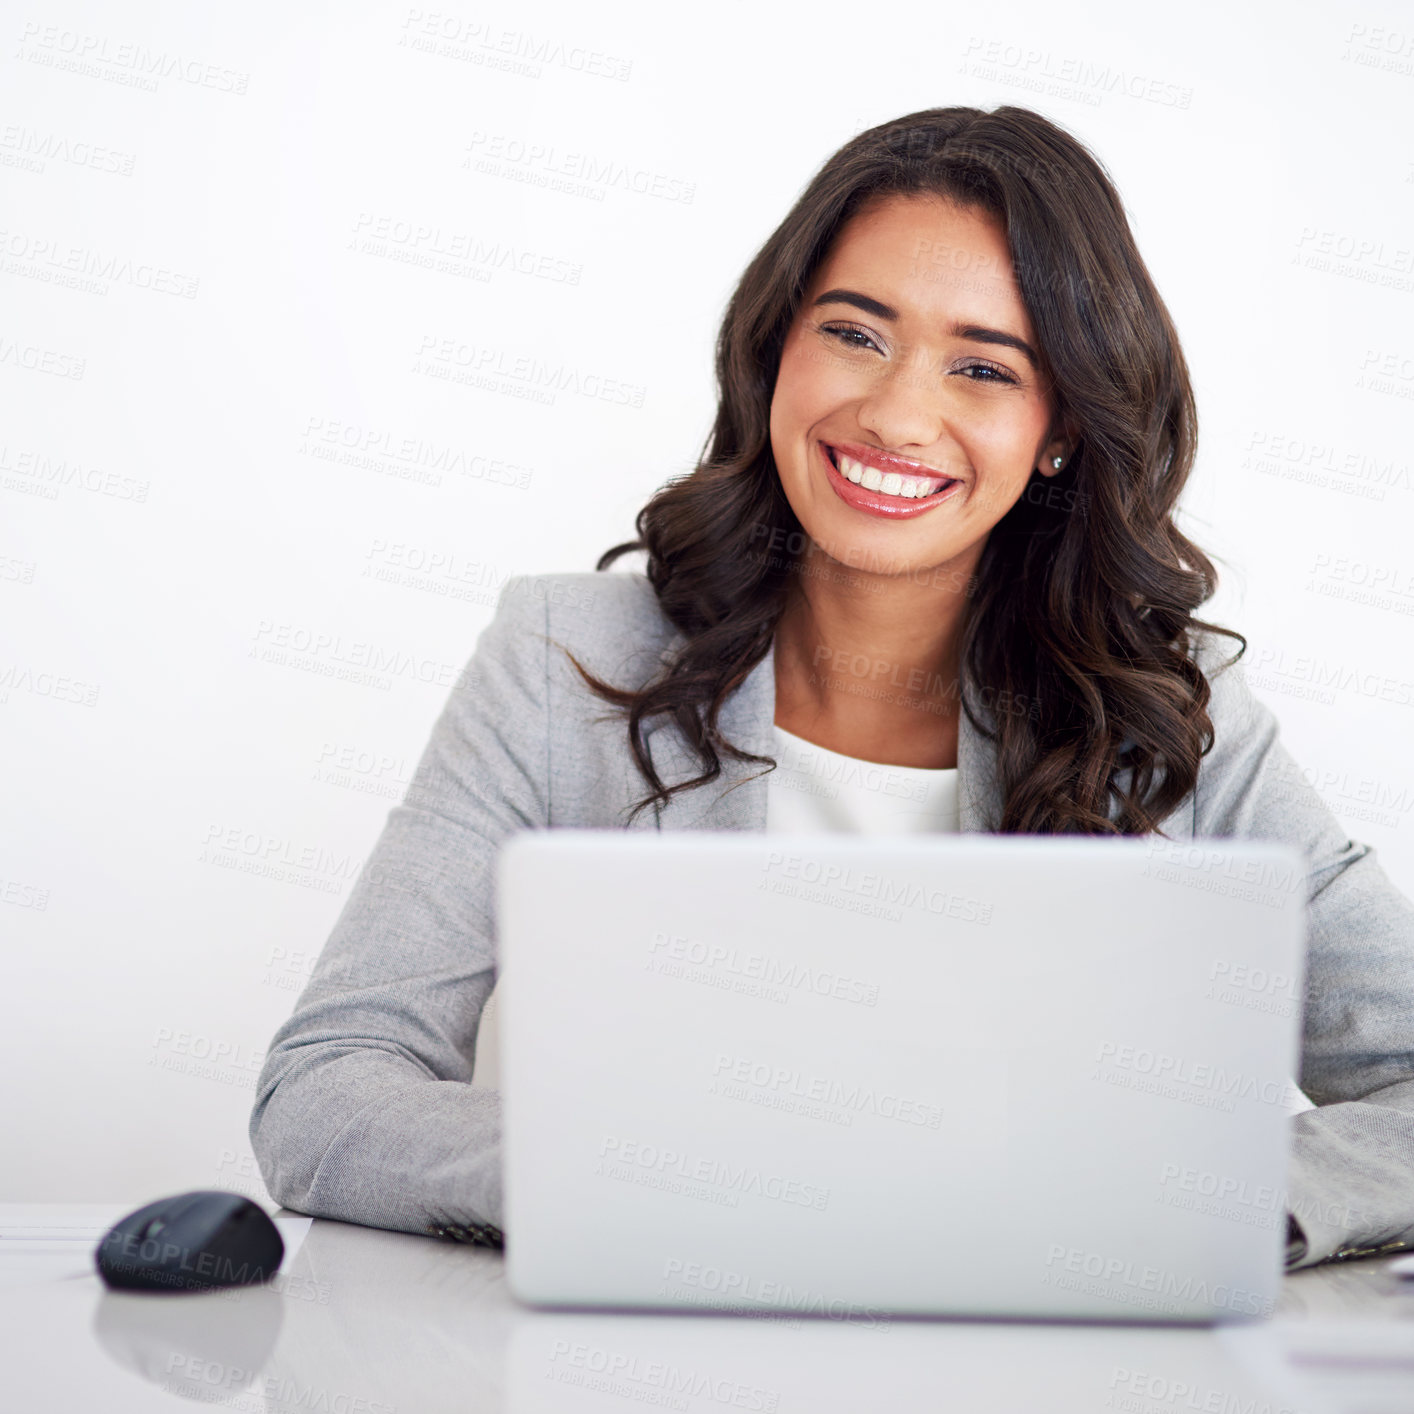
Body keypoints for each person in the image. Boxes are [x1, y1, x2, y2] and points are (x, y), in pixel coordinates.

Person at [250, 105, 1414, 1270]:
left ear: (1059, 428)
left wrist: (1185, 1202)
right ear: (776, 351)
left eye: (982, 367)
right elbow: (331, 1083)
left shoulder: (1174, 711)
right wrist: (650, 1171)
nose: (899, 414)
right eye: (856, 335)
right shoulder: (563, 658)